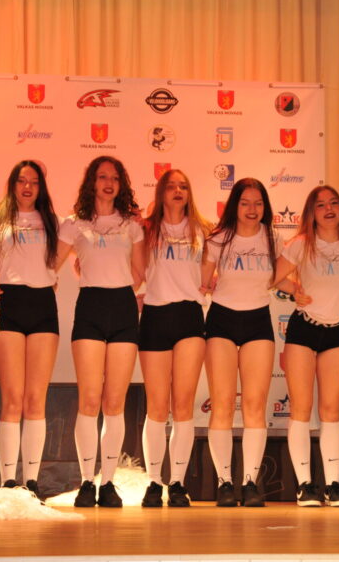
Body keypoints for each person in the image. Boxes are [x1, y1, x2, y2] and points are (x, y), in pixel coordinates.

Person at [59, 156, 145, 508]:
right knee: (90, 400)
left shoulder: (132, 225)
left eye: (115, 178)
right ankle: (85, 482)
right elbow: (49, 265)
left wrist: (126, 290)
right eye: (102, 177)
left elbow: (140, 271)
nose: (108, 183)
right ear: (91, 183)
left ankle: (107, 482)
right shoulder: (74, 224)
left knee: (114, 403)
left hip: (123, 307)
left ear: (121, 185)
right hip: (90, 308)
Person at [274, 185, 339, 507]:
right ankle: (305, 485)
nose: (328, 209)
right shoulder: (300, 244)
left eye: (333, 203)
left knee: (331, 410)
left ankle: (333, 485)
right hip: (303, 330)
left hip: (337, 332)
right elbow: (273, 277)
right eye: (321, 205)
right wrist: (294, 290)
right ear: (311, 213)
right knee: (300, 408)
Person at [0, 160, 65, 499]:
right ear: (12, 185)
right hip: (11, 306)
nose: (27, 187)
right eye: (21, 180)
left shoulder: (53, 222)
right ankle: (7, 482)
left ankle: (31, 481)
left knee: (35, 399)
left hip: (43, 306)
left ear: (41, 187)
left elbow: (60, 258)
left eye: (34, 181)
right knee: (12, 398)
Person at [201, 178, 279, 507]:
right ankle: (224, 483)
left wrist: (303, 291)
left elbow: (285, 276)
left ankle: (249, 483)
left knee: (254, 406)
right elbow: (202, 280)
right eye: (245, 203)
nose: (252, 209)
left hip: (258, 321)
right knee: (221, 404)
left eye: (258, 203)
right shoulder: (218, 239)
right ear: (235, 205)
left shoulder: (274, 238)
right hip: (221, 320)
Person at [137, 169, 211, 508]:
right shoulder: (145, 229)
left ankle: (178, 483)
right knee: (157, 406)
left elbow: (213, 270)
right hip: (155, 315)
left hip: (189, 317)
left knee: (183, 405)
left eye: (184, 186)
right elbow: (130, 267)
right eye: (171, 186)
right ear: (161, 192)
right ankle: (154, 482)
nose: (178, 190)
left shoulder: (204, 230)